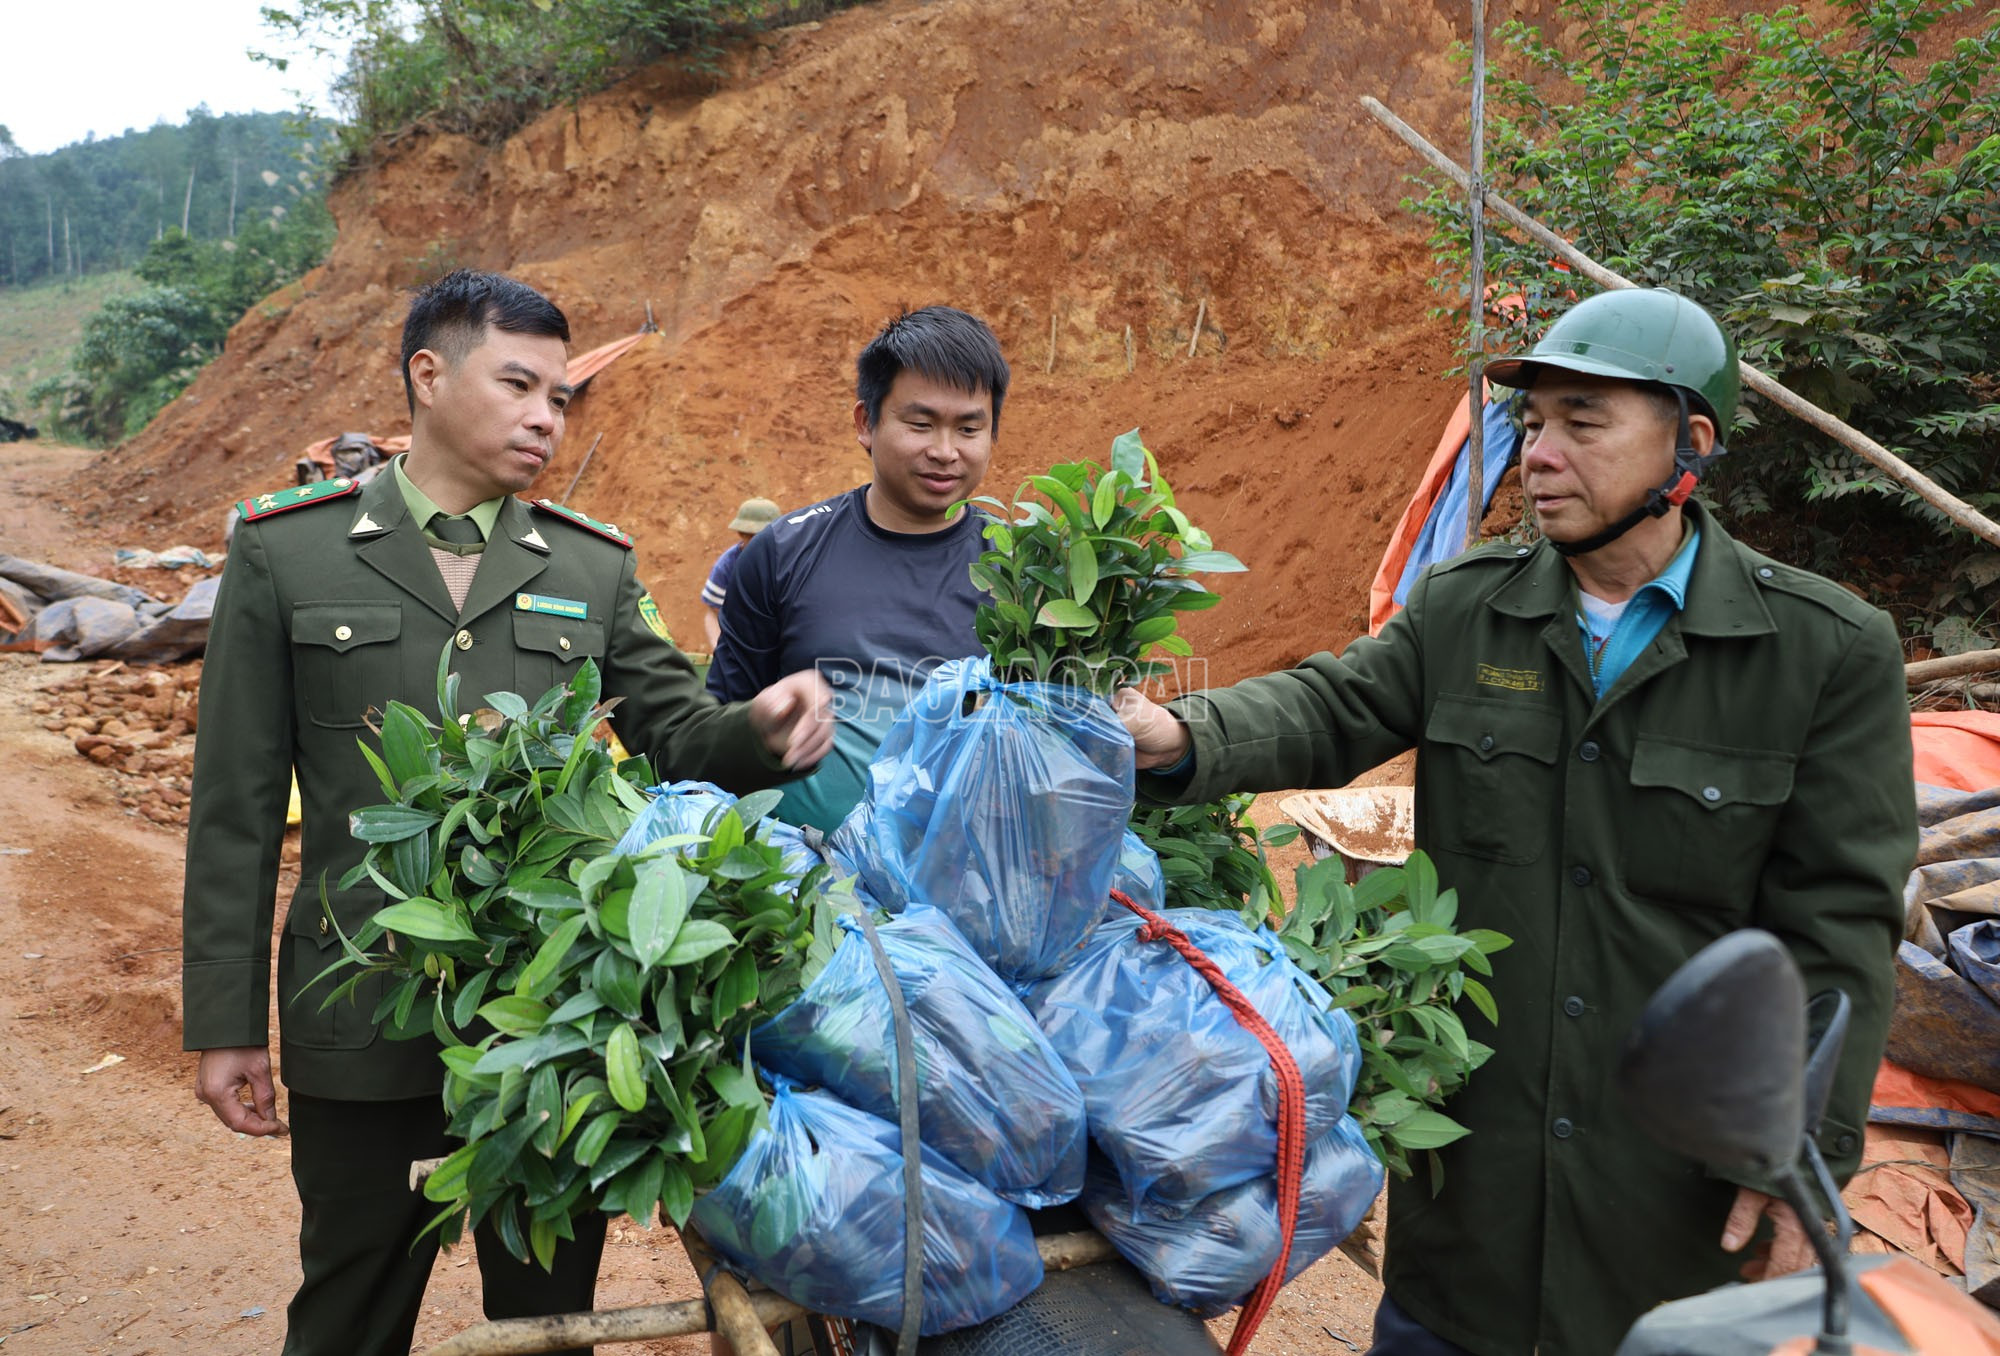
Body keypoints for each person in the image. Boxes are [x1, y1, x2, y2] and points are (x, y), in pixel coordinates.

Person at [1112, 289, 1915, 1356]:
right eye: (1532, 423)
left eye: (1583, 422)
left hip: (1669, 1217)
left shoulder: (1820, 652)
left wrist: (1802, 1158)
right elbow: (1332, 706)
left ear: (1690, 444)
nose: (1538, 454)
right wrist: (1176, 735)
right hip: (1471, 1219)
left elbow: (1840, 927)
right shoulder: (1467, 606)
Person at [181, 269, 833, 1356]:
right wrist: (226, 1023)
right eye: (519, 385)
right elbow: (235, 810)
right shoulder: (286, 550)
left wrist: (758, 725)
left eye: (560, 398)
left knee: (547, 1324)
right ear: (428, 376)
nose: (545, 418)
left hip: (551, 1022)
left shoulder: (589, 562)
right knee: (350, 1308)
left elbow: (677, 733)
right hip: (365, 1012)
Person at [705, 305, 1007, 832]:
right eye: (920, 424)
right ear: (867, 423)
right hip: (804, 872)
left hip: (977, 865)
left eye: (968, 428)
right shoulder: (782, 552)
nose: (945, 451)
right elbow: (721, 727)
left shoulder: (1019, 567)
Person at [701, 497, 780, 649]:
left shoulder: (789, 561)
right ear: (742, 534)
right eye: (751, 536)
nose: (758, 542)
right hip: (743, 642)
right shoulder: (726, 566)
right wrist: (720, 649)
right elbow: (713, 613)